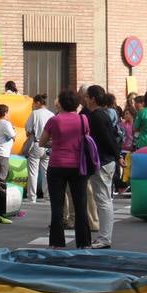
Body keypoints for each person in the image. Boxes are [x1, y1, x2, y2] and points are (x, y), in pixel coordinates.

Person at [40, 90, 92, 249]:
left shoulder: (54, 120)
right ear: (77, 104)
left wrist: (53, 143)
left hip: (56, 165)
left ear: (60, 103)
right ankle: (83, 243)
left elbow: (42, 142)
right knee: (80, 205)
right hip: (78, 167)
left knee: (57, 206)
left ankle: (57, 242)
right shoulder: (83, 119)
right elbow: (86, 139)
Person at [85, 85, 122, 249]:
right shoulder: (103, 114)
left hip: (102, 162)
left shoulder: (96, 117)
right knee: (104, 199)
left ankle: (105, 238)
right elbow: (112, 138)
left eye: (87, 96)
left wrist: (116, 155)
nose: (85, 99)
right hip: (107, 161)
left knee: (103, 200)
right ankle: (104, 236)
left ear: (93, 98)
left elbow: (107, 139)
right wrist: (117, 156)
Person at [24, 93, 55, 203]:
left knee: (33, 172)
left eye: (33, 103)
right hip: (49, 146)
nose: (32, 105)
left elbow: (28, 129)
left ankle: (32, 197)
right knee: (46, 172)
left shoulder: (35, 114)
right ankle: (47, 195)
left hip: (37, 144)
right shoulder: (51, 114)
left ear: (38, 103)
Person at [0, 103, 16, 182]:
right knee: (2, 175)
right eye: (8, 112)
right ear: (5, 113)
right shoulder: (6, 123)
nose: (9, 114)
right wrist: (13, 129)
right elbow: (13, 136)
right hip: (2, 153)